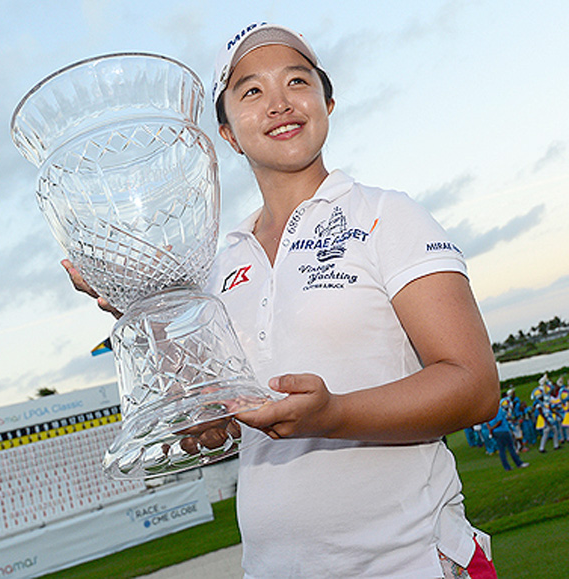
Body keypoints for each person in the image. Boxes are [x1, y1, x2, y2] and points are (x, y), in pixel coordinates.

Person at [64, 22, 500, 578]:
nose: (278, 103)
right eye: (251, 91)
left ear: (327, 101)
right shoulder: (217, 266)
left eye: (297, 81)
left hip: (410, 561)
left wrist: (333, 414)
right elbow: (216, 422)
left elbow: (475, 386)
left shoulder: (387, 214)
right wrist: (140, 304)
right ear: (225, 133)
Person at [487, 401, 529, 471]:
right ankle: (519, 463)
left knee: (501, 450)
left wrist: (491, 430)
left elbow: (487, 423)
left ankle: (507, 467)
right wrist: (493, 428)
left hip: (495, 432)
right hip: (503, 430)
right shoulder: (498, 410)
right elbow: (499, 421)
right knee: (511, 448)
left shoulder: (489, 412)